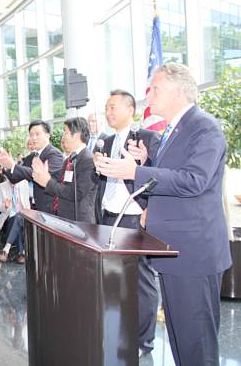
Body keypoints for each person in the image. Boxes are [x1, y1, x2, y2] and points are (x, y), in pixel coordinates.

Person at [95, 63, 231, 366]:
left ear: (178, 90)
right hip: (174, 249)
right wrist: (147, 161)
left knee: (196, 342)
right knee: (180, 337)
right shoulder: (174, 130)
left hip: (194, 252)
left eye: (155, 88)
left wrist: (137, 170)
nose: (149, 94)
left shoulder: (204, 127)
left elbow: (195, 180)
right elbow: (170, 175)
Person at [93, 89, 161, 357]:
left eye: (113, 107)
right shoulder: (105, 141)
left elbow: (156, 175)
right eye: (106, 108)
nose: (108, 112)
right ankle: (120, 332)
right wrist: (96, 165)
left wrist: (150, 208)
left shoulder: (146, 137)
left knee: (141, 279)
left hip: (134, 215)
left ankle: (144, 340)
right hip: (109, 215)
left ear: (130, 109)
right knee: (115, 278)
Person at [31, 117, 97, 223]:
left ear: (76, 135)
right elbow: (63, 186)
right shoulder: (69, 160)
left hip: (80, 222)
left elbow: (75, 193)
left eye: (65, 133)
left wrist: (47, 182)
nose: (63, 136)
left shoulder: (88, 160)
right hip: (65, 218)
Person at [0, 120, 63, 214]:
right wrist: (6, 166)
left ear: (47, 135)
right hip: (37, 207)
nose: (33, 138)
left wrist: (13, 165)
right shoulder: (32, 156)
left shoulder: (54, 154)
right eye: (31, 135)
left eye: (37, 134)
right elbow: (14, 179)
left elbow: (39, 176)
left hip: (52, 207)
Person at [0, 179, 30, 266]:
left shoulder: (24, 184)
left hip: (23, 216)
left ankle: (6, 249)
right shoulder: (2, 186)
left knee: (18, 218)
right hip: (8, 218)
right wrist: (5, 206)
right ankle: (21, 253)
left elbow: (27, 204)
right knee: (16, 219)